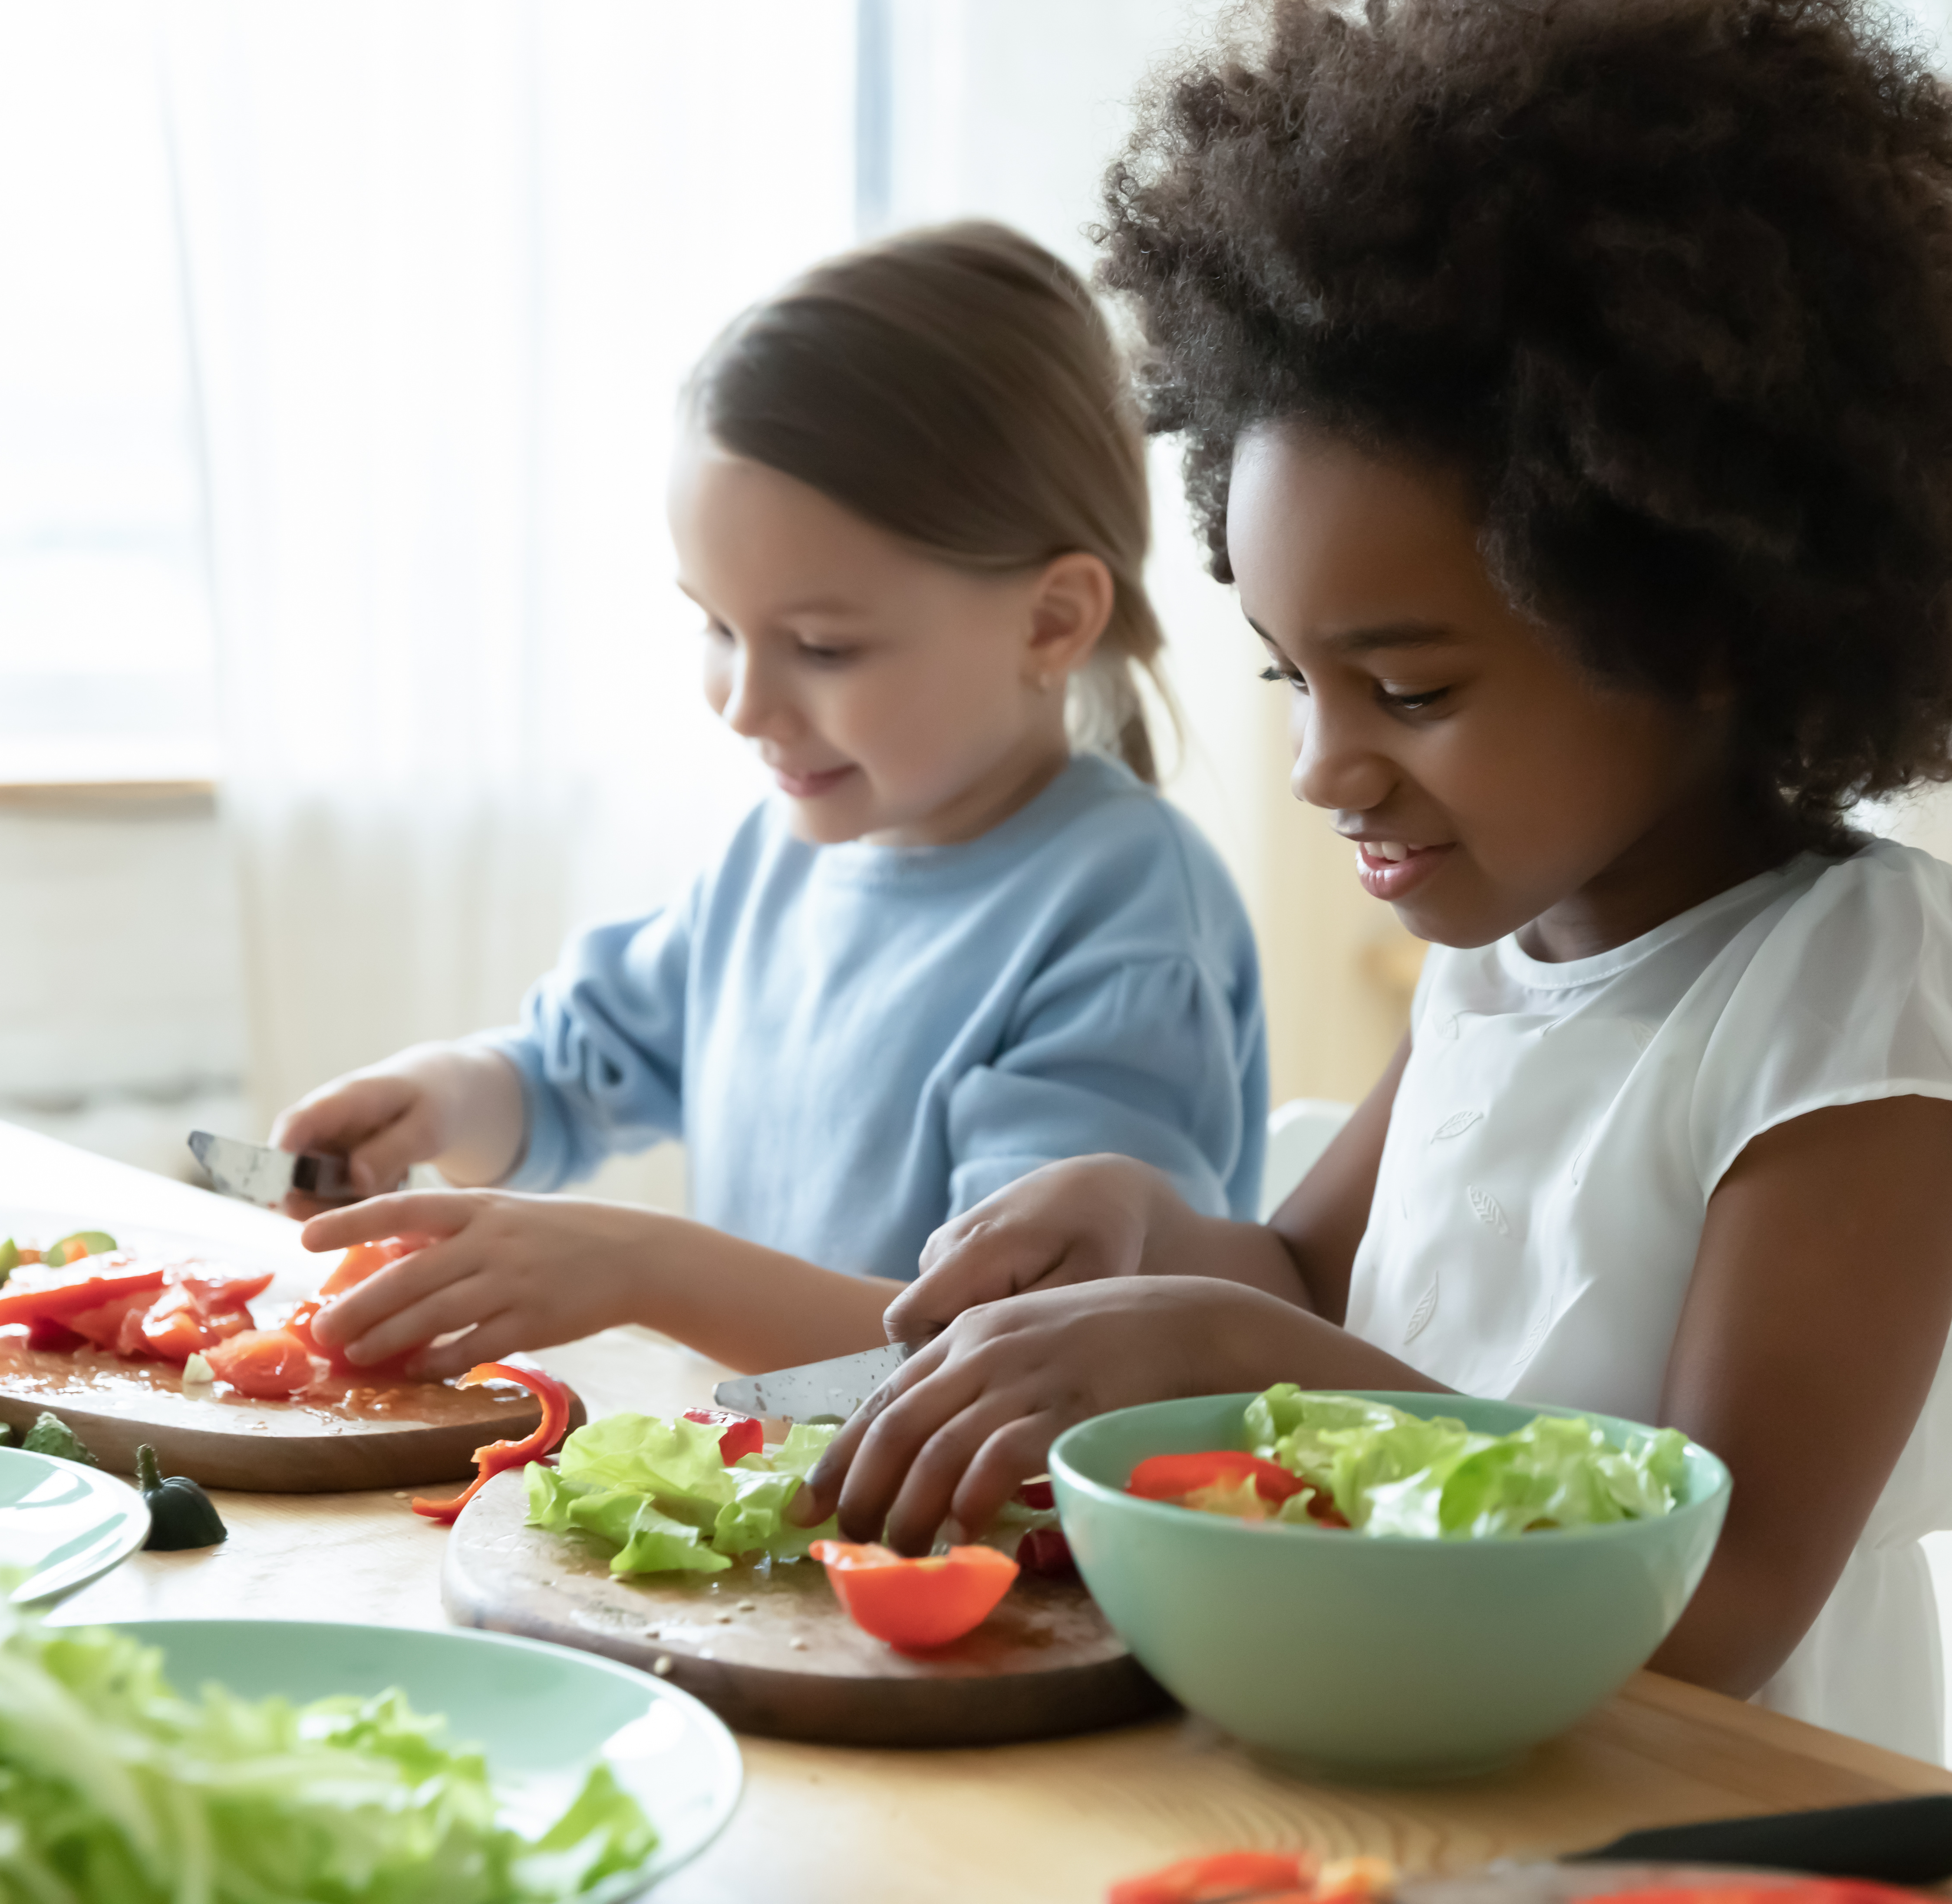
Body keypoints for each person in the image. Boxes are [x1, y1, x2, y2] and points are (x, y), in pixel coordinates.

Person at [796, 0, 1952, 1760]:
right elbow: (1310, 1286)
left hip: (1712, 1828)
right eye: (1292, 678)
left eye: (1407, 684)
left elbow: (1716, 1593)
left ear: (1696, 621)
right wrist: (1157, 1237)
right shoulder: (1507, 950)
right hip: (1417, 1775)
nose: (1326, 766)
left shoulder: (1855, 985)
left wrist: (1235, 1360)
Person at [276, 223, 1268, 1381]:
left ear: (1051, 623)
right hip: (769, 1526)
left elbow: (1020, 1359)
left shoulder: (1121, 915)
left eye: (820, 646)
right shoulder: (777, 857)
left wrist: (642, 1269)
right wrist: (440, 1099)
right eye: (717, 626)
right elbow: (569, 1071)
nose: (745, 704)